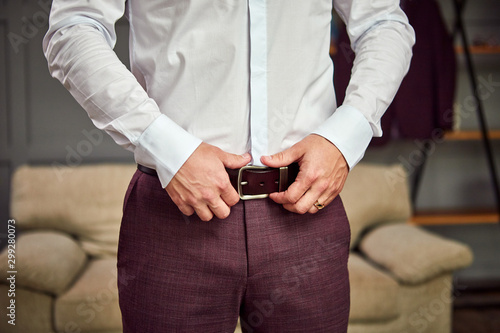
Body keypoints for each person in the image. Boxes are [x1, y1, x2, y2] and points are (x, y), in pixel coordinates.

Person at [43, 1, 414, 332]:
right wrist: (165, 145)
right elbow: (74, 27)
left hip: (305, 209)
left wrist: (346, 134)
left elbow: (383, 23)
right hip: (175, 214)